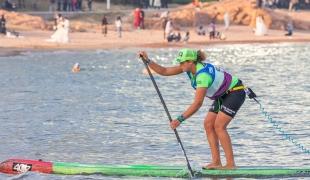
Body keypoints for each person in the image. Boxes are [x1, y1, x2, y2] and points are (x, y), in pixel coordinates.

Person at [138, 48, 246, 169]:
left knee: (219, 126)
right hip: (223, 95)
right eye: (179, 62)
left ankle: (231, 164)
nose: (180, 65)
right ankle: (216, 162)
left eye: (182, 62)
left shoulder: (202, 75)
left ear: (190, 61)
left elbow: (198, 103)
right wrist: (148, 61)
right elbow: (164, 71)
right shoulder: (189, 67)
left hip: (234, 92)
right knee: (208, 124)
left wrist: (180, 119)